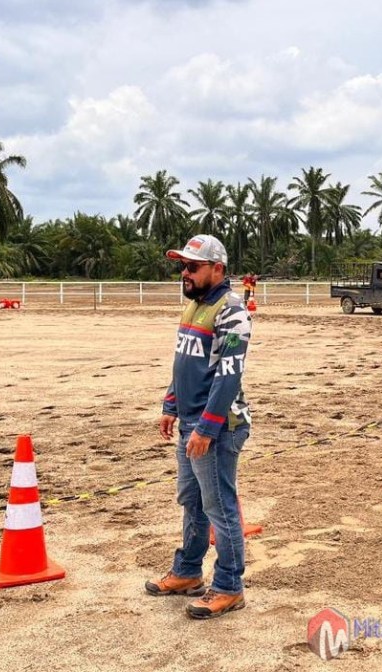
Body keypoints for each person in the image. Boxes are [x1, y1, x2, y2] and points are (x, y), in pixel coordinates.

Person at [145, 234, 253, 620]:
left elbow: (228, 375)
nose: (185, 273)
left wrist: (206, 429)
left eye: (193, 266)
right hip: (191, 422)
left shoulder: (232, 310)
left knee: (220, 507)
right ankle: (188, 571)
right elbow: (184, 363)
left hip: (219, 426)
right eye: (183, 266)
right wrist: (170, 405)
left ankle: (228, 587)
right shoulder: (193, 307)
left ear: (217, 269)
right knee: (192, 502)